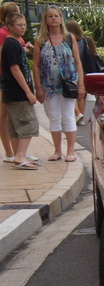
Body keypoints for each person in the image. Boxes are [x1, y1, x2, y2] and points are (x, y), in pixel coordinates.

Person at [33, 5, 85, 163]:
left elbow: (77, 62)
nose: (54, 18)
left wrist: (81, 84)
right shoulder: (41, 40)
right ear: (46, 20)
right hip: (49, 86)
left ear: (61, 19)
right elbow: (36, 65)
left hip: (68, 84)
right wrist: (38, 88)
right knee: (54, 117)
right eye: (50, 16)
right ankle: (57, 150)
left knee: (69, 116)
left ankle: (70, 151)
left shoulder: (69, 38)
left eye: (56, 16)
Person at [1, 12, 39, 170]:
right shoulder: (11, 44)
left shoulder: (15, 44)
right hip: (17, 92)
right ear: (10, 26)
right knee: (27, 123)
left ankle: (18, 154)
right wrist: (28, 92)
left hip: (12, 92)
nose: (23, 27)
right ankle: (20, 155)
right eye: (19, 25)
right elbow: (15, 69)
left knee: (16, 124)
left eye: (24, 24)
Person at [65, 21, 89, 125]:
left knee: (68, 92)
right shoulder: (84, 41)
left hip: (70, 69)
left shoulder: (68, 41)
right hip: (82, 68)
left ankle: (77, 112)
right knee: (81, 94)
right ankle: (81, 116)